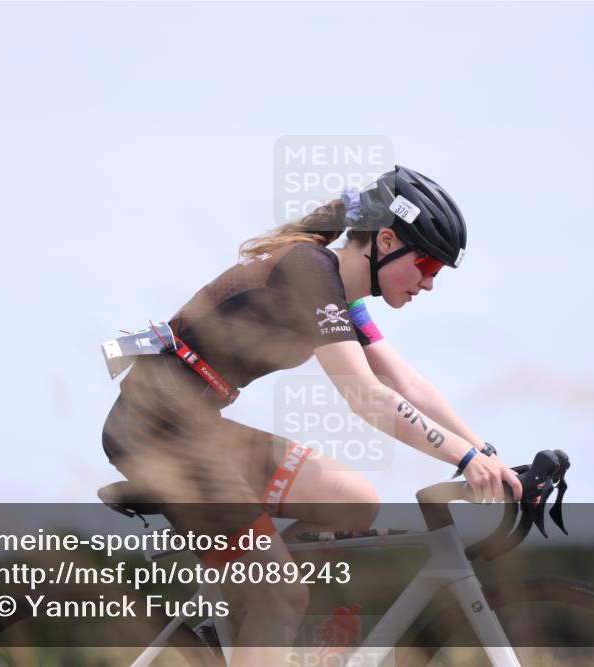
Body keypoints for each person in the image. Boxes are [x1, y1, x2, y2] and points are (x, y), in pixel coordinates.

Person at [101, 165, 524, 667]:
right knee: (282, 594)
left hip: (199, 427)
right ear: (385, 240)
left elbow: (403, 383)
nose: (429, 284)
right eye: (428, 266)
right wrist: (465, 456)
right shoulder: (308, 271)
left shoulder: (343, 296)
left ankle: (245, 619)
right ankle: (264, 606)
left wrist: (487, 454)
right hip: (157, 431)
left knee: (353, 500)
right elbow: (366, 396)